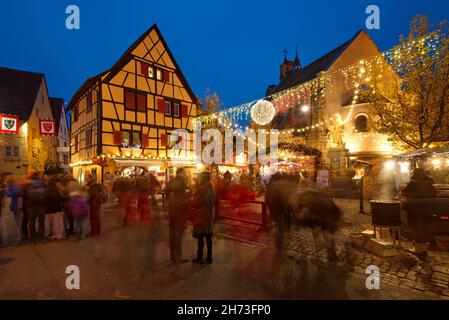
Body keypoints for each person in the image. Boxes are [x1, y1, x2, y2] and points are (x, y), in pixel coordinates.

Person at [191, 172, 216, 264]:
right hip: (209, 214)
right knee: (208, 236)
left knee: (201, 236)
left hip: (201, 214)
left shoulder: (200, 189)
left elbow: (195, 202)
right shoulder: (212, 188)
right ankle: (209, 257)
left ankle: (200, 257)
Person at [165, 168, 189, 263]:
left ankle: (173, 255)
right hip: (180, 211)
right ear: (180, 173)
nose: (186, 175)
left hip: (172, 210)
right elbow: (184, 197)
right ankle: (178, 256)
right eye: (185, 173)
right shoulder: (182, 182)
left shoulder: (171, 182)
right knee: (178, 234)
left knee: (172, 234)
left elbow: (167, 195)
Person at [23, 170, 47, 243]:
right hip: (41, 204)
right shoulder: (42, 182)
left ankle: (33, 238)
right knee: (41, 221)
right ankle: (41, 237)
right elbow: (46, 193)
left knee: (32, 221)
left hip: (31, 205)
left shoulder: (27, 183)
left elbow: (24, 195)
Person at [5, 175, 22, 244]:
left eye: (7, 181)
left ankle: (20, 238)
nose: (6, 182)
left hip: (18, 207)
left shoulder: (16, 187)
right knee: (18, 223)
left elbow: (9, 194)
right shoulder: (14, 187)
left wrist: (7, 188)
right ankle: (20, 237)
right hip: (16, 207)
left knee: (18, 223)